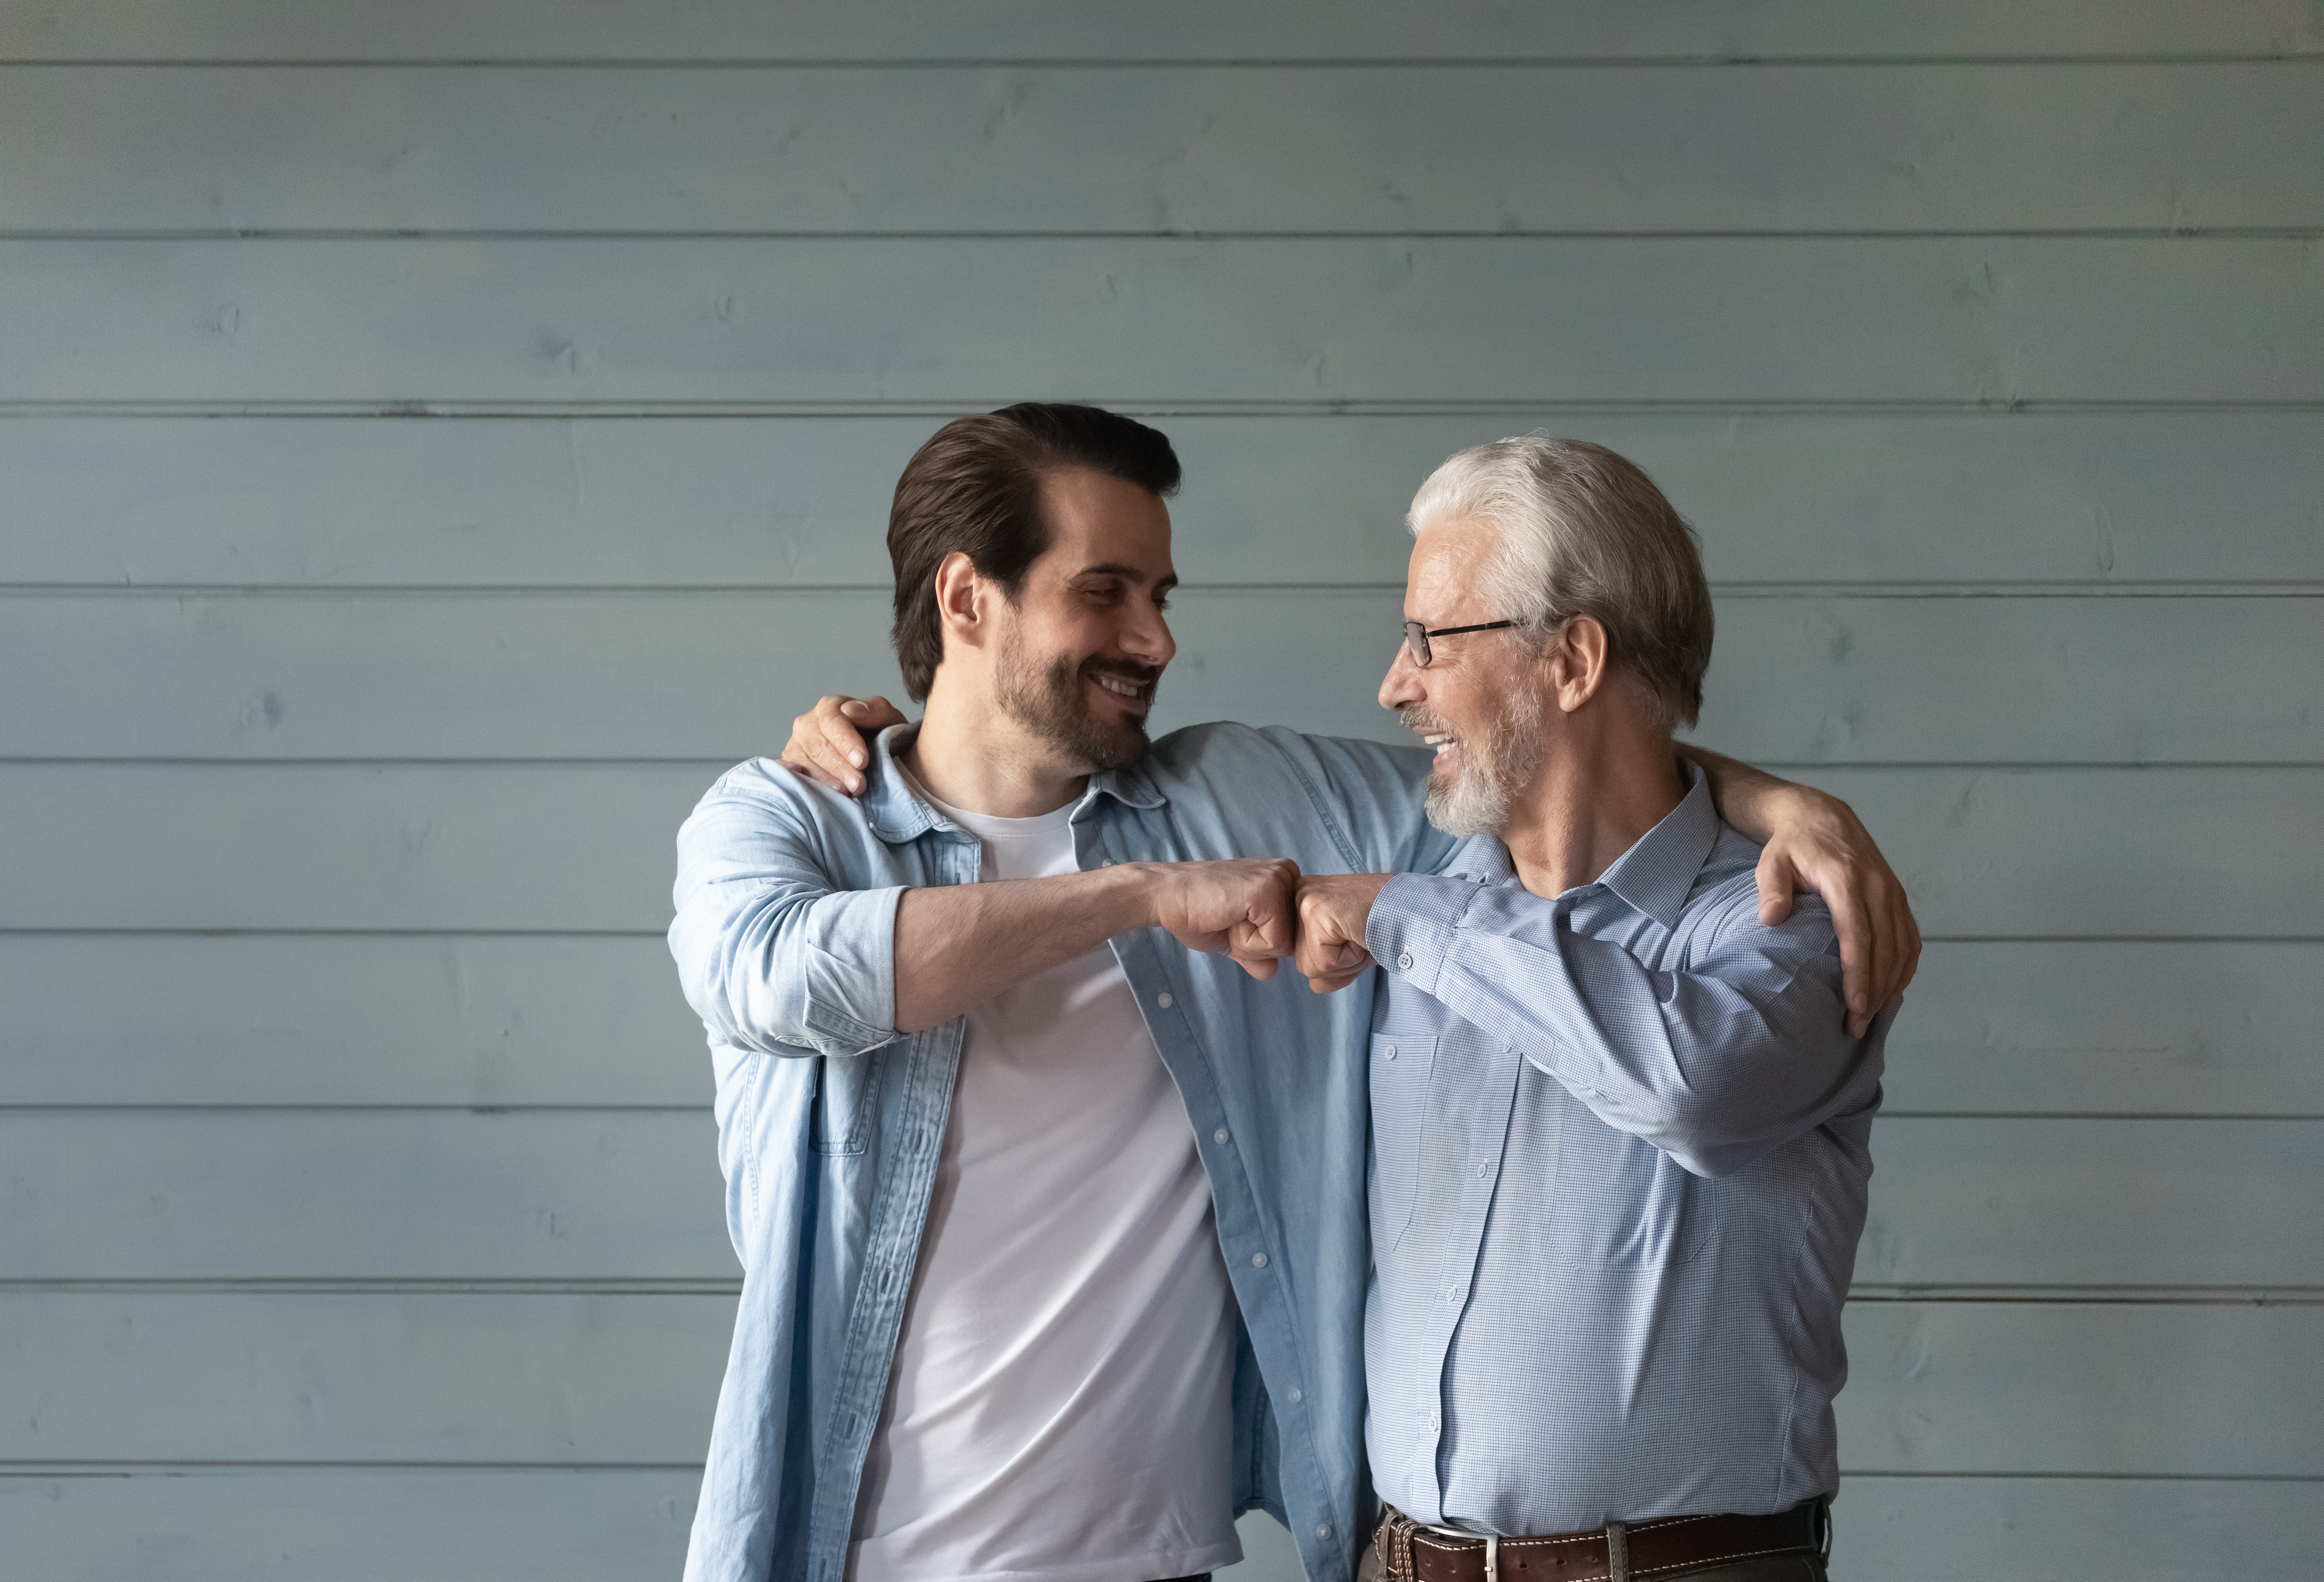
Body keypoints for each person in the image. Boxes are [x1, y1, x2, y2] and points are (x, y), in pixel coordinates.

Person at [680, 405, 1915, 1582]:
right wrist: (1143, 901)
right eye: (1105, 590)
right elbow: (786, 972)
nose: (1155, 639)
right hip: (863, 1553)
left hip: (1158, 1560)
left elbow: (1535, 761)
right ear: (966, 598)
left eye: (1159, 596)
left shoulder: (1244, 801)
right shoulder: (790, 820)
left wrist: (1777, 801)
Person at [1288, 438, 1890, 1582]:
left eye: (1430, 639)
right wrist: (862, 750)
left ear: (1571, 659)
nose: (1395, 683)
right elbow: (1123, 787)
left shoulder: (1793, 918)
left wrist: (1406, 918)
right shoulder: (1429, 873)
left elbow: (1692, 1084)